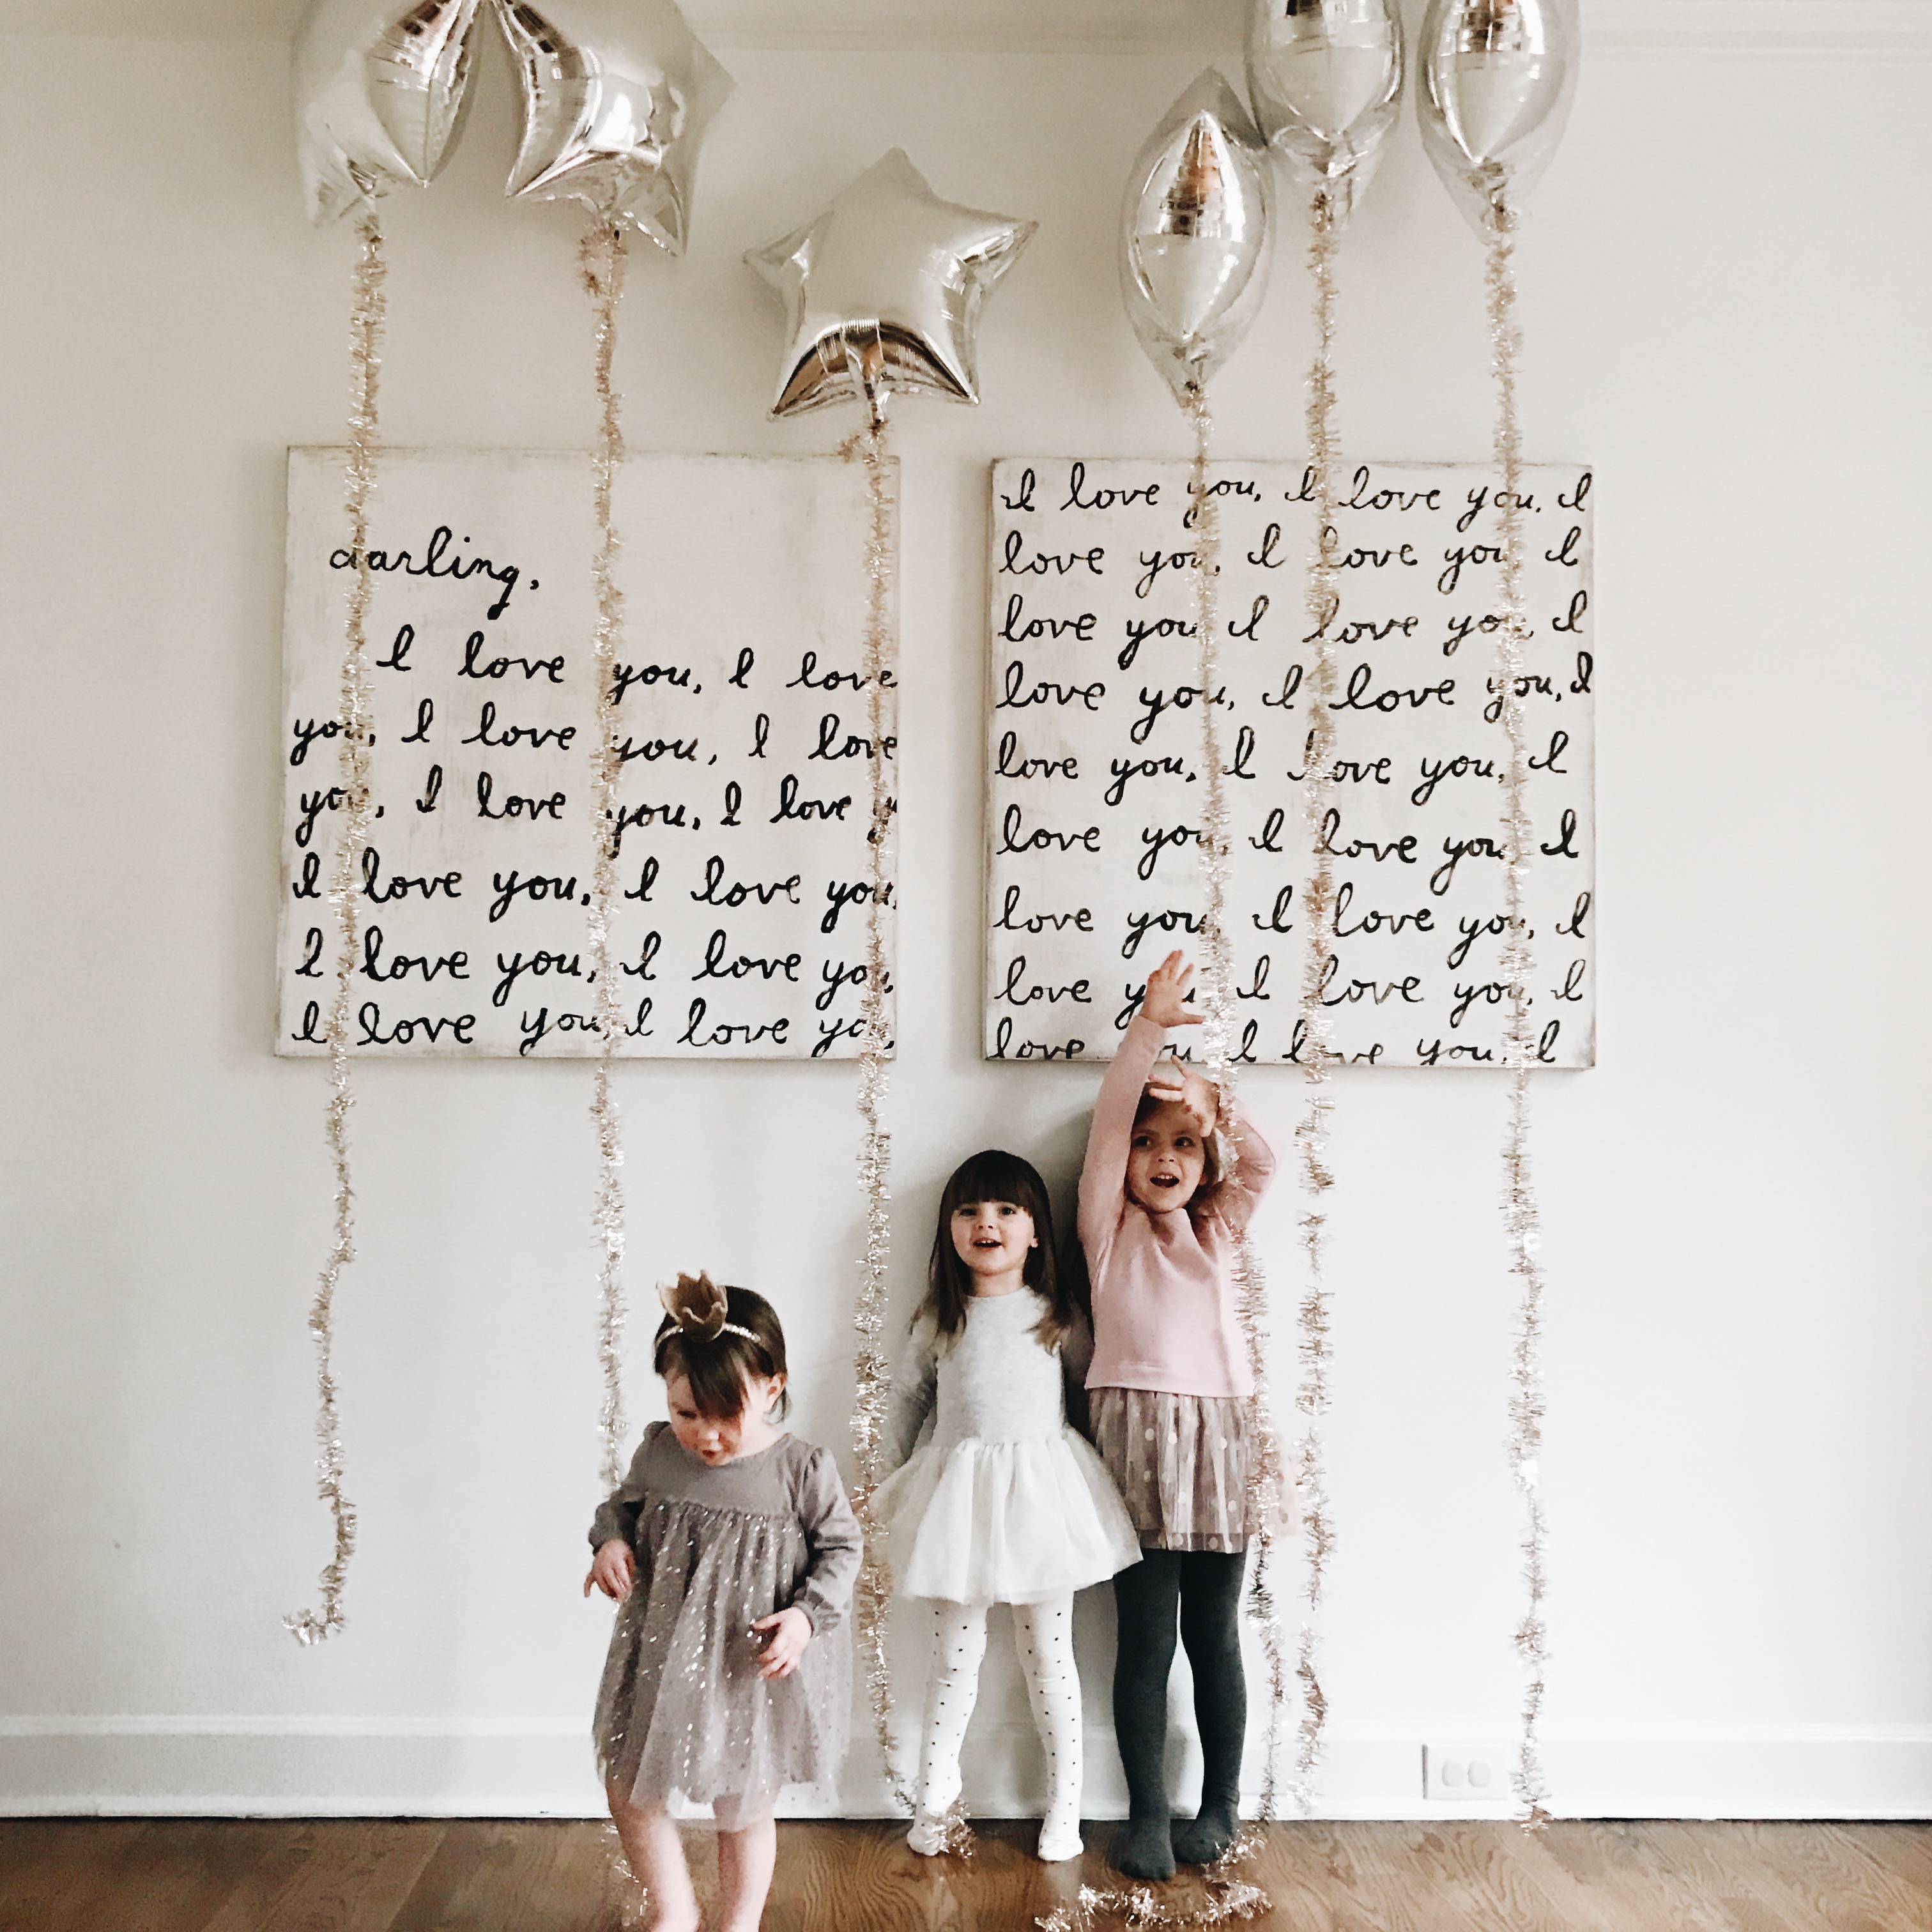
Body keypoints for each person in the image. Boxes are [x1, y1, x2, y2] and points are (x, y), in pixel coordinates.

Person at [873, 1149, 1141, 1863]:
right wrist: (883, 1477)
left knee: (1049, 1658)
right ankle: (935, 1800)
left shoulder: (1057, 1316)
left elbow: (1088, 1397)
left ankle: (1065, 1805)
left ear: (1035, 1233)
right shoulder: (940, 1319)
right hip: (955, 1506)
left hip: (1042, 1503)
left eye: (1005, 1210)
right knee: (952, 1660)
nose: (985, 1223)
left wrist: (1104, 1481)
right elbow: (905, 1400)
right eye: (968, 1211)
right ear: (949, 1229)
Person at [1080, 950, 1279, 1881]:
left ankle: (1221, 1803)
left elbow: (1265, 1160)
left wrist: (1213, 1099)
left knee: (1215, 1637)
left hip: (1222, 1442)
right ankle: (1149, 1811)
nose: (1164, 1159)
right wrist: (1149, 1030)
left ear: (1207, 1163)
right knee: (1147, 1641)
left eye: (1185, 1145)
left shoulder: (1219, 1230)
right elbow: (1108, 1123)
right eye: (1149, 1144)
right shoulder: (1107, 1230)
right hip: (1137, 1445)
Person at [585, 1273, 860, 1932]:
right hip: (660, 1659)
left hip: (744, 1668)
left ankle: (739, 1923)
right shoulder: (659, 1451)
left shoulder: (800, 1469)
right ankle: (674, 1910)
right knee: (629, 1784)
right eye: (687, 1413)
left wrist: (805, 1617)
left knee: (742, 1807)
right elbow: (620, 1508)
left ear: (772, 1388)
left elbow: (842, 1549)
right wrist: (611, 1542)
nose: (706, 1435)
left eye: (726, 1414)